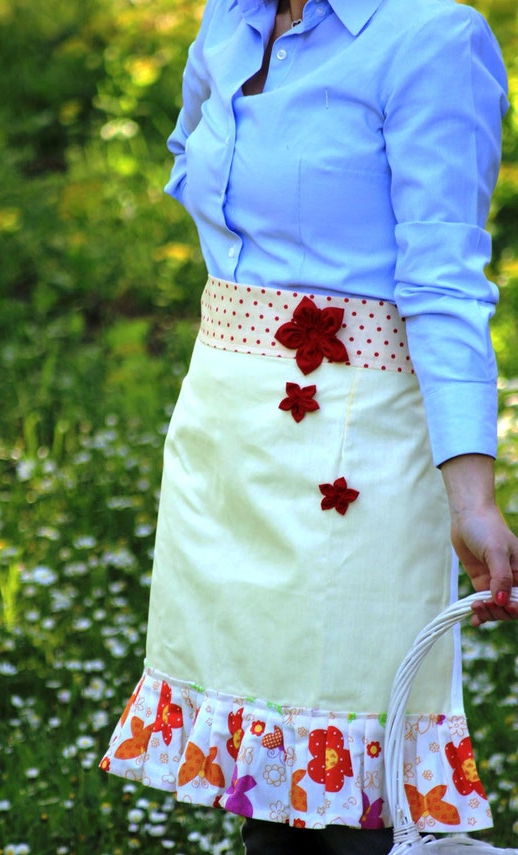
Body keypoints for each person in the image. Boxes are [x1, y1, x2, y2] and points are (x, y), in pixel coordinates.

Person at [100, 0, 518, 851]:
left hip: (356, 451)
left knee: (354, 778)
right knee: (263, 788)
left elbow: (445, 279)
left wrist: (474, 491)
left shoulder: (432, 38)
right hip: (224, 439)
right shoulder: (228, 23)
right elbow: (190, 151)